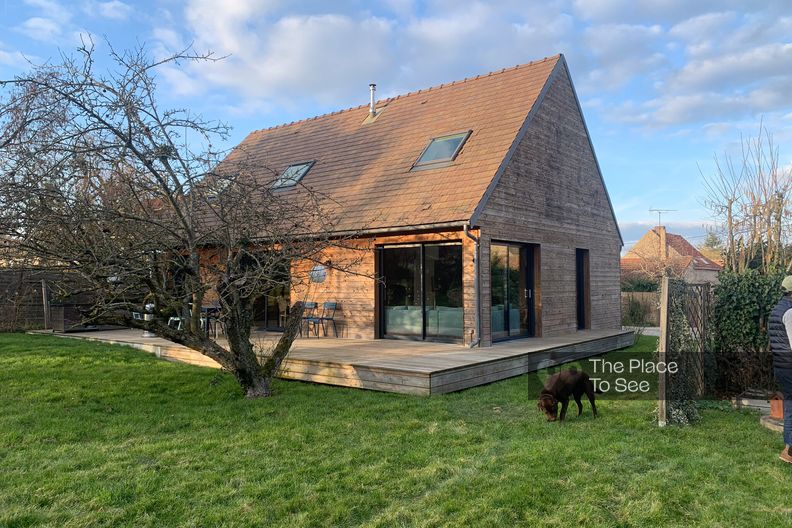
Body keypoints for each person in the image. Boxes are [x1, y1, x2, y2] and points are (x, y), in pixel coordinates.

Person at [769, 275, 792, 464]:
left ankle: (788, 449)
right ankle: (789, 450)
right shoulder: (790, 312)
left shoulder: (777, 309)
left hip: (782, 365)